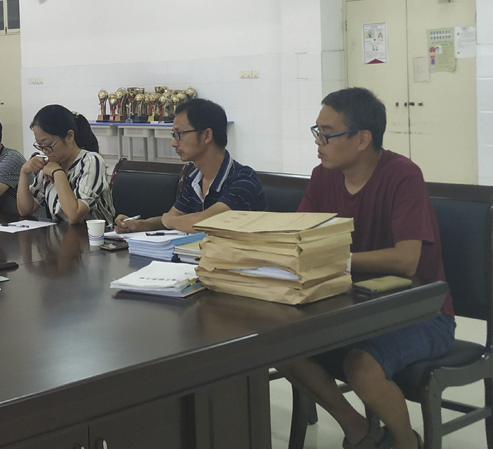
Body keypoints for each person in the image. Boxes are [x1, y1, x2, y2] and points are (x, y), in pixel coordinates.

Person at [278, 88, 454, 449]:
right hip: (354, 309)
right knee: (279, 347)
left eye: (327, 133)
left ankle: (407, 442)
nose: (318, 142)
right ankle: (360, 431)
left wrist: (337, 260)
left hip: (422, 313)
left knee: (361, 365)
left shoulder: (403, 176)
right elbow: (300, 237)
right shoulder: (323, 176)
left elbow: (406, 260)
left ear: (362, 139)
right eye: (317, 131)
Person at [114, 98, 267, 233]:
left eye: (179, 134)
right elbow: (174, 216)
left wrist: (170, 220)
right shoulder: (194, 176)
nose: (174, 143)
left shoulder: (243, 180)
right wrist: (138, 225)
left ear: (207, 135)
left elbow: (207, 222)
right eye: (174, 135)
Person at [17, 105, 115, 225]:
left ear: (69, 136)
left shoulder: (91, 161)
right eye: (40, 145)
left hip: (94, 235)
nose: (45, 151)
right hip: (61, 234)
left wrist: (58, 173)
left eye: (48, 145)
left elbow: (75, 215)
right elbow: (25, 210)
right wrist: (24, 172)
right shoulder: (50, 163)